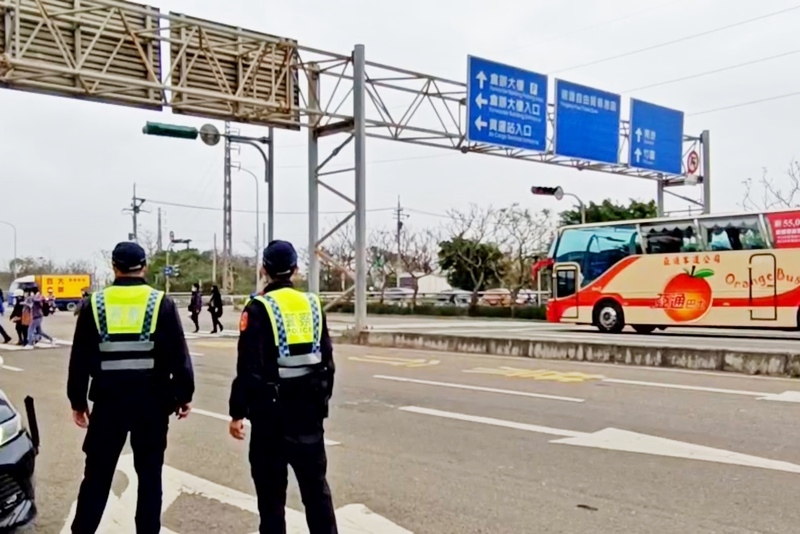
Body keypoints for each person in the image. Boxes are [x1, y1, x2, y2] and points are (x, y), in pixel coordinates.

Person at [67, 241, 195, 534]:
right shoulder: (160, 303)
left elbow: (80, 358)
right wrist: (183, 395)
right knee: (150, 477)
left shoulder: (94, 304)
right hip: (152, 404)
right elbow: (178, 355)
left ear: (114, 267)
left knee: (97, 475)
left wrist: (78, 401)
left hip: (108, 404)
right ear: (144, 267)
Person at [228, 240, 337, 534]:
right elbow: (327, 362)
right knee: (316, 493)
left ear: (263, 270)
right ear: (295, 270)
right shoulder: (313, 304)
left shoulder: (258, 308)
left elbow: (248, 368)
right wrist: (319, 404)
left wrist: (237, 412)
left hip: (270, 419)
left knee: (271, 500)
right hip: (308, 416)